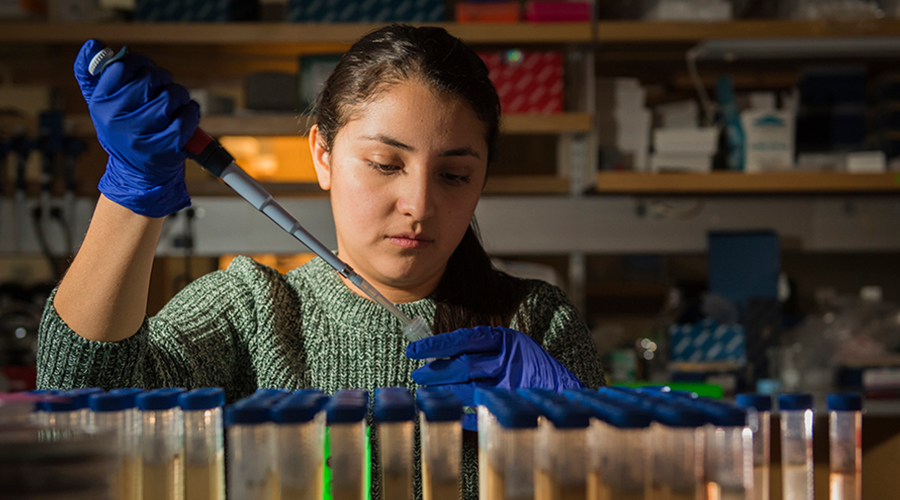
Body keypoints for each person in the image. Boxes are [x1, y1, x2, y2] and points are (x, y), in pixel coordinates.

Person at [37, 25, 604, 498]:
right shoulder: (254, 310)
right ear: (323, 155)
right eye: (385, 164)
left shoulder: (535, 322)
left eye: (454, 175)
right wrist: (130, 195)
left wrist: (582, 432)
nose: (419, 205)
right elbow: (77, 426)